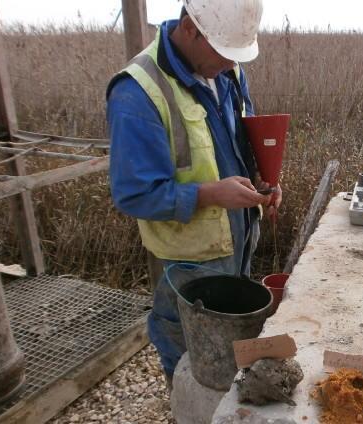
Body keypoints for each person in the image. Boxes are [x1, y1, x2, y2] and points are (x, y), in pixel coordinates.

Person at [105, 0, 279, 386]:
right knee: (186, 352)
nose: (230, 64)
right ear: (188, 28)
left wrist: (262, 177)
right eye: (222, 53)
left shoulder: (226, 71)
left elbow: (235, 142)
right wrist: (211, 195)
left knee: (230, 340)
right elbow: (135, 194)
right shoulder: (137, 93)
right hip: (188, 264)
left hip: (237, 238)